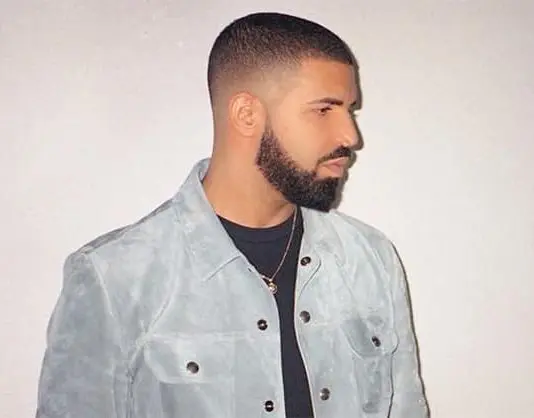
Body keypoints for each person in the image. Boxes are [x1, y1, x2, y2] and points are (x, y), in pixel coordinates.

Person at [36, 11, 429, 418]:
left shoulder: (370, 260)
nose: (350, 136)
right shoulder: (115, 278)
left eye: (350, 111)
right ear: (246, 114)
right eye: (324, 110)